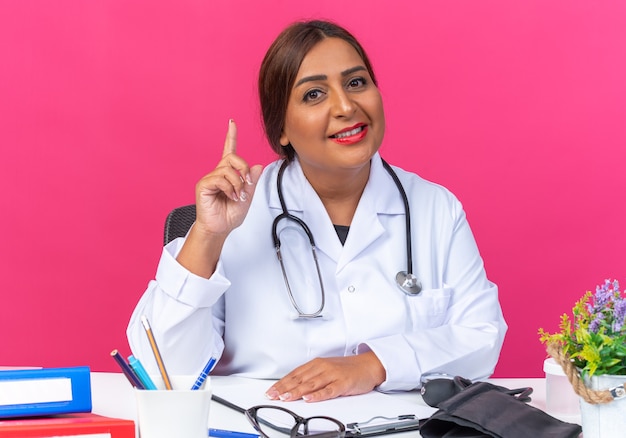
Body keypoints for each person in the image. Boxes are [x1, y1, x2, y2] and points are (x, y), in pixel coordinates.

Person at [127, 19, 507, 403]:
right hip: (266, 421)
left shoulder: (434, 208)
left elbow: (482, 336)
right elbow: (164, 371)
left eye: (356, 82)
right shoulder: (241, 213)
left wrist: (373, 365)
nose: (346, 106)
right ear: (282, 131)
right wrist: (208, 235)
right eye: (314, 95)